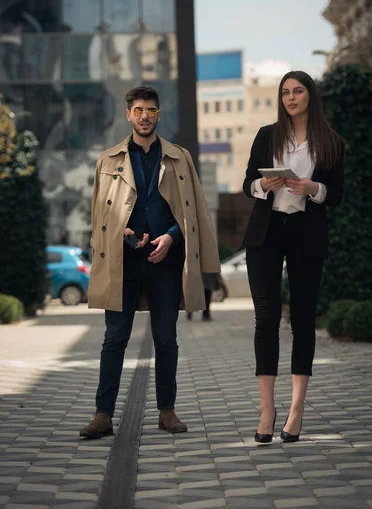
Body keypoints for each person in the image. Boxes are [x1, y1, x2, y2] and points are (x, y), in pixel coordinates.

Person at [80, 86, 220, 438]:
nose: (145, 116)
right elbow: (99, 215)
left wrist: (171, 234)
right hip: (121, 262)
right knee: (115, 339)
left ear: (159, 115)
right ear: (128, 115)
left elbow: (190, 210)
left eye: (152, 111)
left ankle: (167, 412)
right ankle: (102, 415)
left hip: (166, 263)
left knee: (166, 338)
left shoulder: (179, 157)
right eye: (139, 110)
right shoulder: (108, 159)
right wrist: (122, 230)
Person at [242, 71, 345, 444]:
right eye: (284, 92)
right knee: (266, 318)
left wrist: (313, 188)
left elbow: (337, 193)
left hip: (306, 232)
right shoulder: (267, 136)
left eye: (297, 91)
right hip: (266, 233)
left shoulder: (331, 142)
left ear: (310, 95)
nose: (290, 97)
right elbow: (247, 182)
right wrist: (262, 185)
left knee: (302, 320)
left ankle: (296, 409)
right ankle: (267, 409)